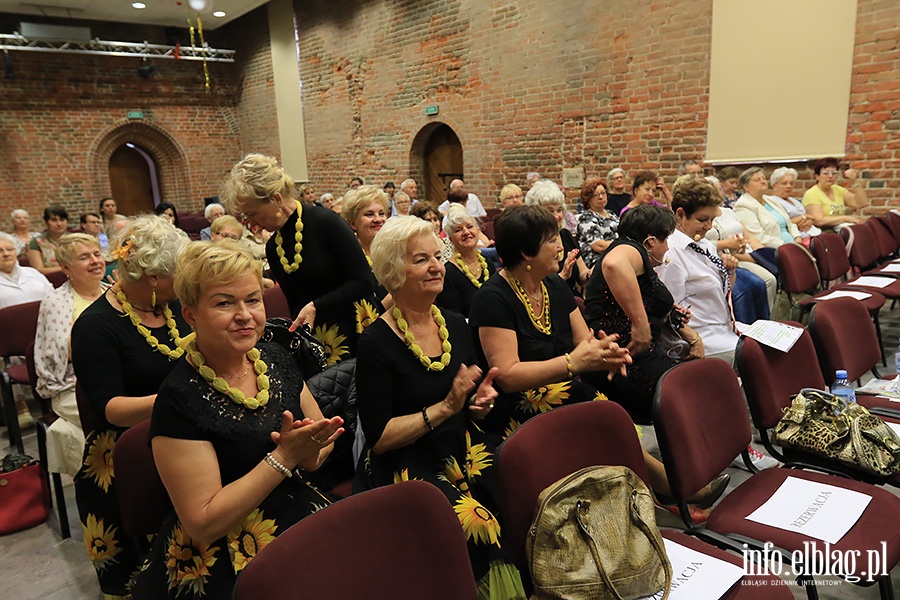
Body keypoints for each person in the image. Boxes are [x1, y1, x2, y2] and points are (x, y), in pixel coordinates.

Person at [469, 206, 728, 511]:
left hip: (560, 387)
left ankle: (654, 494)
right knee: (599, 412)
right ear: (526, 253)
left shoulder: (552, 284)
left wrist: (606, 352)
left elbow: (584, 340)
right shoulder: (493, 298)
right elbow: (507, 375)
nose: (560, 246)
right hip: (515, 403)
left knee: (606, 410)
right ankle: (670, 489)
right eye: (551, 240)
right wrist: (574, 363)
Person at [131, 241, 343, 600]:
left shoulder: (275, 358)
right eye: (224, 303)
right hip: (223, 553)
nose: (245, 314)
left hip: (295, 513)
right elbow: (203, 522)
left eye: (253, 300)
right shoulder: (179, 398)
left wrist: (310, 453)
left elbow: (321, 437)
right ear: (191, 315)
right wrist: (285, 459)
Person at [356, 216, 526, 599]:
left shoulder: (454, 323)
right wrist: (447, 407)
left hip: (461, 443)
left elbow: (468, 407)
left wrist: (478, 404)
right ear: (393, 272)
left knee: (521, 488)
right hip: (406, 460)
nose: (437, 266)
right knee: (476, 522)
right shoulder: (375, 342)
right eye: (421, 259)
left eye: (438, 256)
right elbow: (380, 438)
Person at [71, 215, 189, 598]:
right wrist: (182, 395)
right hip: (124, 450)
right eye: (178, 274)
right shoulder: (95, 326)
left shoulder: (172, 308)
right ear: (154, 277)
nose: (184, 282)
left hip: (181, 427)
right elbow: (111, 409)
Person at [222, 154, 375, 364]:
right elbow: (296, 305)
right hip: (317, 344)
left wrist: (316, 306)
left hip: (357, 331)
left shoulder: (325, 222)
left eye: (253, 213)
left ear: (276, 199)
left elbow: (365, 282)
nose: (251, 223)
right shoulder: (273, 248)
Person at [582, 205, 701, 422]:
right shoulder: (630, 248)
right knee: (700, 387)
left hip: (640, 354)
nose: (667, 248)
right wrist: (641, 323)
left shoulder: (635, 255)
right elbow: (613, 264)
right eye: (665, 240)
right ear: (651, 241)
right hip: (622, 360)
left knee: (705, 379)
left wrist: (687, 330)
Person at [34, 233, 107, 477]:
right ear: (66, 268)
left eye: (97, 254)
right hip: (73, 386)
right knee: (120, 418)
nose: (95, 261)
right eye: (85, 257)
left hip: (115, 375)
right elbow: (60, 356)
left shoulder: (112, 292)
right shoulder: (55, 302)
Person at [525, 180, 590, 295]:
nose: (557, 216)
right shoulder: (531, 242)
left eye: (559, 210)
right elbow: (533, 288)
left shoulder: (565, 235)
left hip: (571, 299)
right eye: (550, 211)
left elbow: (582, 275)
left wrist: (593, 273)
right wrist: (563, 275)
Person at [436, 206, 496, 317]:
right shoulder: (448, 273)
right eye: (458, 230)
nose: (466, 232)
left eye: (470, 227)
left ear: (478, 231)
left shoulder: (487, 263)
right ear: (451, 239)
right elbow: (452, 316)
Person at [342, 184, 392, 312]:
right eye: (369, 214)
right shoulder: (349, 257)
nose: (378, 219)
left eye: (381, 214)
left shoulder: (393, 250)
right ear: (353, 223)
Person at [734, 167, 802, 248]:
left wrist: (797, 238)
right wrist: (785, 245)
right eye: (757, 180)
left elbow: (790, 224)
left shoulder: (770, 200)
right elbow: (758, 237)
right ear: (746, 187)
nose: (763, 181)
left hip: (794, 245)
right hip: (775, 250)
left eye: (764, 178)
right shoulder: (743, 206)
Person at [801, 157, 867, 229]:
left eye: (834, 173)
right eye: (825, 173)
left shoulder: (838, 189)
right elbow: (819, 221)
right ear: (817, 176)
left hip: (841, 230)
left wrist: (855, 182)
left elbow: (861, 203)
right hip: (824, 233)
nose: (830, 176)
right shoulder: (812, 193)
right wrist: (846, 218)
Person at [0, 231, 52, 309]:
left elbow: (54, 298)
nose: (6, 254)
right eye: (0, 251)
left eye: (10, 249)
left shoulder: (33, 272)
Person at [576, 177, 619, 269]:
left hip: (617, 255)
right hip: (597, 261)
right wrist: (622, 245)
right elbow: (599, 246)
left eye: (603, 193)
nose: (600, 197)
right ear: (588, 199)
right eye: (595, 195)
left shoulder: (611, 214)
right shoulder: (586, 217)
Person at [768, 167, 821, 239]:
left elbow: (810, 217)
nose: (788, 186)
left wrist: (810, 221)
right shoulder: (772, 202)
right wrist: (804, 217)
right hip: (796, 238)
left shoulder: (794, 200)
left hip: (812, 233)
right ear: (774, 185)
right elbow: (783, 223)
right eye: (784, 183)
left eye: (791, 183)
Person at [27, 204, 69, 275]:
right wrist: (67, 268)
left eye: (62, 220)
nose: (59, 224)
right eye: (54, 220)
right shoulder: (36, 242)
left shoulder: (77, 239)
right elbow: (38, 270)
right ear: (46, 222)